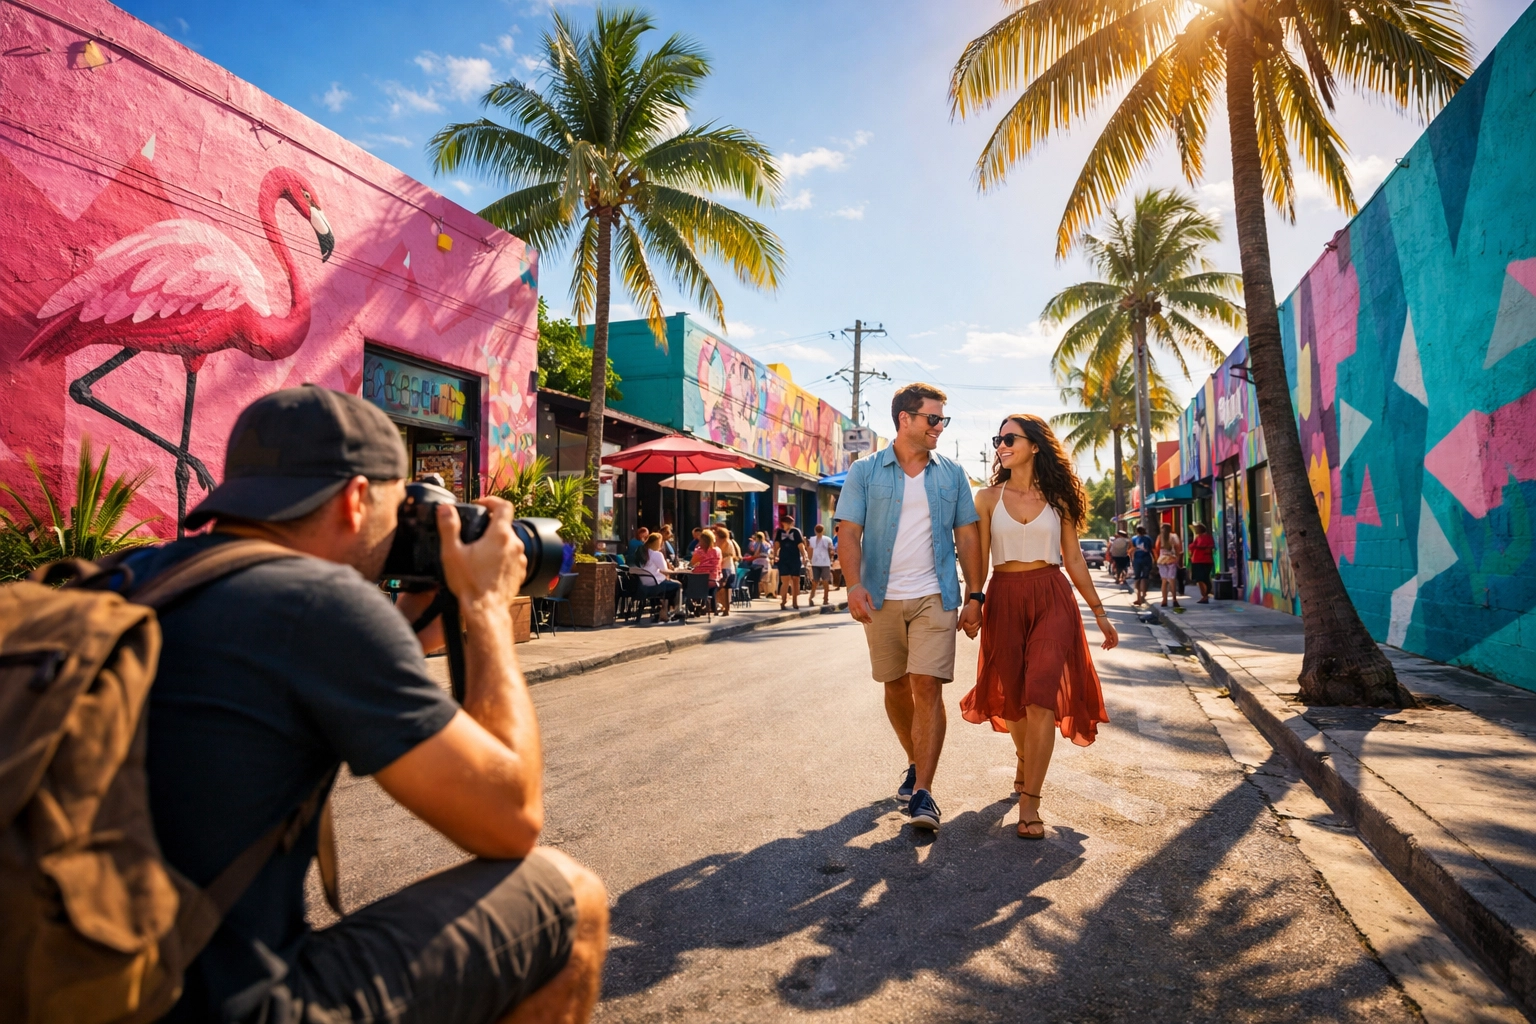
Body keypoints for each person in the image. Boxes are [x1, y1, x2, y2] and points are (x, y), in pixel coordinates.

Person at [128, 386, 607, 1023]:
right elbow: (509, 819)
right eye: (398, 508)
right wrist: (488, 607)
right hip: (223, 1005)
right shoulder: (317, 606)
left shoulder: (131, 577)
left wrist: (412, 624)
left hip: (73, 980)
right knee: (570, 897)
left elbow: (289, 676)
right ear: (358, 500)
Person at [835, 383, 984, 832]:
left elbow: (968, 536)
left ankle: (924, 794)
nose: (939, 426)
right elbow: (848, 531)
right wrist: (854, 585)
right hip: (880, 596)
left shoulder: (953, 474)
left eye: (942, 419)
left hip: (934, 594)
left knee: (927, 685)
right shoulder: (864, 471)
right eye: (933, 419)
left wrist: (976, 593)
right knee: (895, 685)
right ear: (905, 420)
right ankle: (915, 762)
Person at [960, 413, 1115, 840]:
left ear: (1034, 445)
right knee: (1014, 699)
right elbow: (979, 558)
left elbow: (1075, 559)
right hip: (1006, 597)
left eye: (1010, 438)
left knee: (1040, 695)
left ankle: (1031, 804)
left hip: (1052, 596)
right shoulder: (987, 499)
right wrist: (973, 601)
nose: (1001, 445)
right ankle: (1025, 759)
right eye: (998, 439)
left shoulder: (1058, 499)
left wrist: (1099, 611)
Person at [631, 533, 682, 621]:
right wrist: (675, 571)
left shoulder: (641, 552)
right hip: (655, 584)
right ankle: (676, 611)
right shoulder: (656, 554)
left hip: (642, 585)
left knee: (668, 584)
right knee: (677, 585)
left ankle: (663, 612)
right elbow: (664, 570)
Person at [772, 513, 808, 609]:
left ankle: (795, 602)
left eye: (790, 522)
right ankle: (783, 601)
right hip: (783, 558)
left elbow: (800, 545)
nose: (789, 524)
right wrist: (775, 555)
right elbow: (776, 545)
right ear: (783, 523)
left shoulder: (796, 531)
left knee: (795, 580)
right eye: (787, 522)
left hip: (795, 558)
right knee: (785, 580)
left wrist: (804, 555)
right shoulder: (779, 532)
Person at [1155, 520, 1184, 610]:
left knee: (1164, 581)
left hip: (1162, 560)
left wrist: (1157, 559)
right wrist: (1178, 560)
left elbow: (1156, 548)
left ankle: (1164, 600)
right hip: (1171, 559)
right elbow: (1178, 549)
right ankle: (1174, 600)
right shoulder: (1174, 537)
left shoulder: (1160, 537)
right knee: (1172, 581)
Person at [715, 524, 742, 614]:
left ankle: (724, 607)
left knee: (721, 589)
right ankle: (726, 608)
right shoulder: (729, 542)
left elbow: (723, 555)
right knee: (726, 589)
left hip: (725, 568)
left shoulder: (724, 542)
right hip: (730, 568)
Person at [807, 523, 835, 605]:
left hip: (815, 563)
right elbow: (831, 551)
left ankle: (811, 598)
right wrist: (830, 560)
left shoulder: (812, 539)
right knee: (825, 582)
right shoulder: (828, 539)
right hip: (825, 563)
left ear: (815, 530)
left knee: (815, 582)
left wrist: (809, 560)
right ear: (823, 530)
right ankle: (825, 599)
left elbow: (810, 551)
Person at [1189, 522, 1216, 603]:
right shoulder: (1201, 538)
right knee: (1203, 578)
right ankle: (1205, 595)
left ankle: (1205, 595)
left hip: (1201, 560)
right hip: (1202, 560)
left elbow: (1192, 547)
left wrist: (1198, 547)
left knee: (1202, 579)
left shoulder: (1202, 538)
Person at [1130, 524, 1154, 606]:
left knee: (1137, 578)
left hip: (1137, 560)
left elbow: (1131, 550)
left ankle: (1138, 597)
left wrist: (1131, 560)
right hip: (1147, 559)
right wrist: (1155, 559)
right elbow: (1152, 549)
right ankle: (1143, 594)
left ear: (1136, 531)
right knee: (1145, 577)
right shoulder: (1148, 538)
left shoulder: (1134, 539)